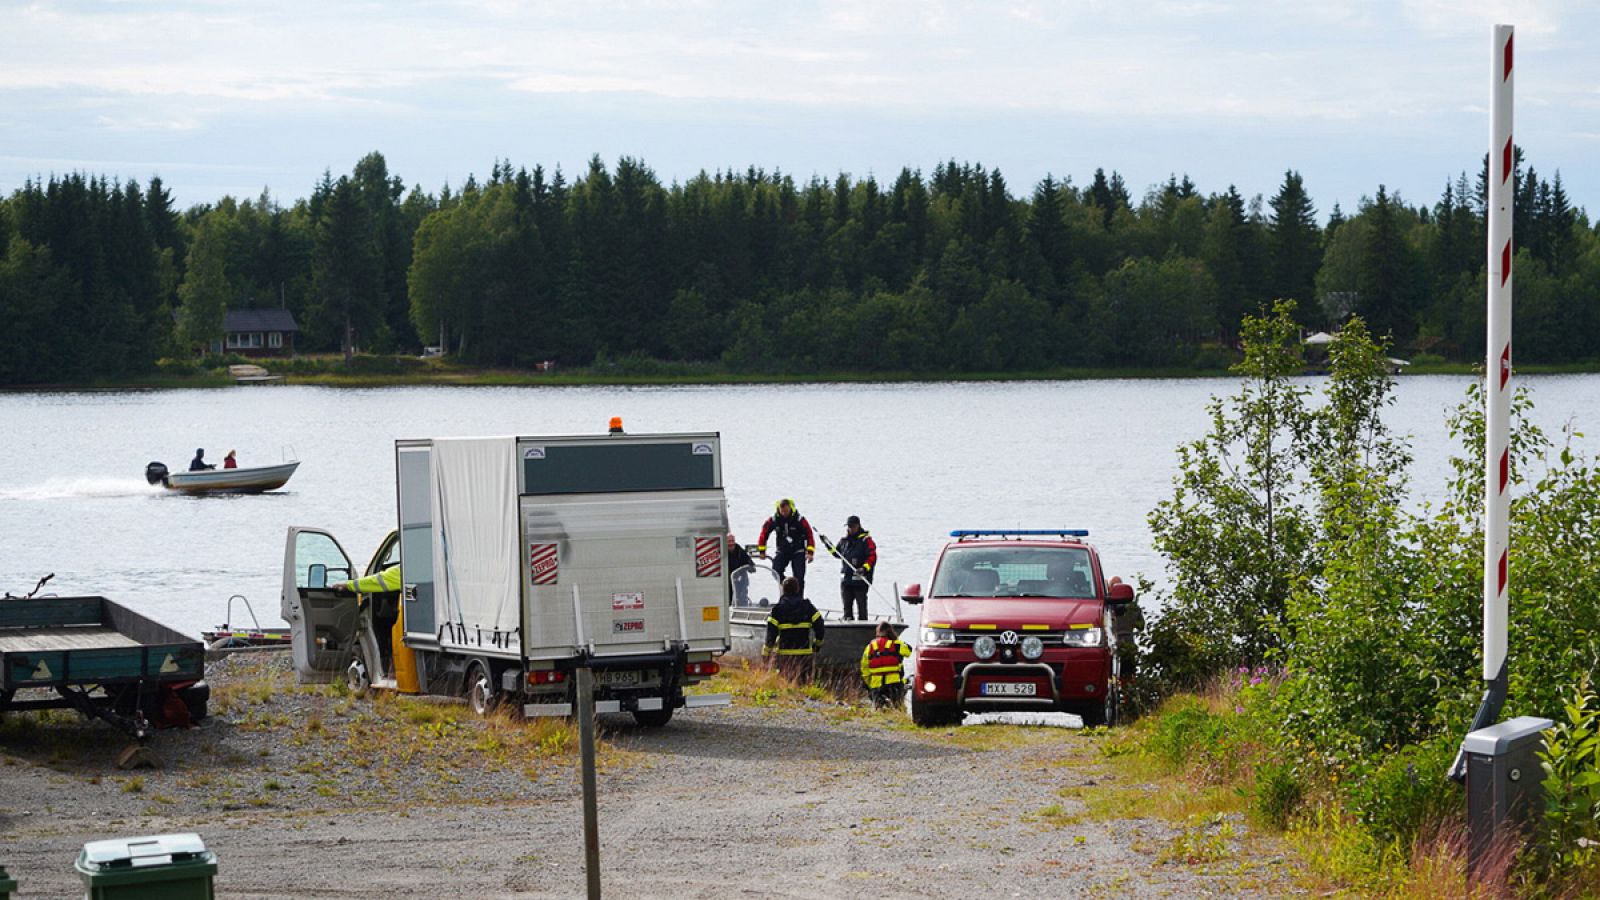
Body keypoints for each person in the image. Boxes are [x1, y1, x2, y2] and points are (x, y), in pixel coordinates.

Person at [763, 576, 824, 681]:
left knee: (786, 682)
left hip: (785, 655)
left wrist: (766, 653)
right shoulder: (807, 607)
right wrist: (817, 644)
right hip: (804, 654)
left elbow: (771, 634)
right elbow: (820, 625)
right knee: (804, 682)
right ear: (797, 589)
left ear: (783, 590)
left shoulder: (777, 610)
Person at [756, 498, 814, 596]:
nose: (784, 513)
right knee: (776, 570)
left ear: (790, 508)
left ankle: (798, 599)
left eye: (786, 511)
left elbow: (809, 535)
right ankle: (788, 588)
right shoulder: (774, 520)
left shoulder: (800, 520)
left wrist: (810, 553)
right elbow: (764, 534)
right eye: (782, 511)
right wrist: (762, 551)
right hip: (783, 550)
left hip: (798, 550)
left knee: (799, 577)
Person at [830, 515, 877, 621]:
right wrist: (827, 545)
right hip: (846, 580)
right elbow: (836, 553)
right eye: (849, 527)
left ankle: (863, 627)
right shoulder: (844, 541)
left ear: (858, 526)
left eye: (852, 527)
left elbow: (872, 556)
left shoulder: (866, 540)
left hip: (860, 581)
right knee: (847, 609)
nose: (850, 529)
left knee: (862, 609)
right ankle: (848, 622)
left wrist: (864, 568)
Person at [860, 621, 911, 709]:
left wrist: (870, 684)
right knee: (898, 707)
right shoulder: (896, 644)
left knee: (877, 708)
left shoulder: (870, 647)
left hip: (876, 684)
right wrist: (896, 640)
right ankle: (901, 718)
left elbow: (864, 668)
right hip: (894, 683)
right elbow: (908, 652)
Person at [727, 533, 755, 606]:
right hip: (727, 581)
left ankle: (743, 607)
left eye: (732, 541)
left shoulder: (739, 550)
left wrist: (751, 565)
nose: (731, 543)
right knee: (728, 597)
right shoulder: (722, 551)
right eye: (729, 541)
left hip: (740, 579)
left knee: (742, 597)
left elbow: (747, 559)